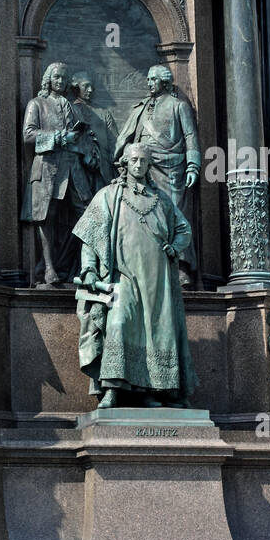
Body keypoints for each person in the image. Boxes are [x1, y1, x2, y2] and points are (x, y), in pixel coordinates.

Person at [73, 142, 196, 408]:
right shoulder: (109, 195)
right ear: (125, 163)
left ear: (149, 165)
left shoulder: (162, 199)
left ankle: (149, 392)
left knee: (155, 334)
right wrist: (90, 269)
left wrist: (174, 248)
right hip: (122, 277)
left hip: (157, 281)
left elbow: (184, 228)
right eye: (134, 160)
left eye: (143, 161)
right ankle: (112, 390)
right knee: (118, 324)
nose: (139, 165)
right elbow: (90, 239)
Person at [114, 65, 200, 285]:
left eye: (153, 79)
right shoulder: (141, 108)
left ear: (164, 82)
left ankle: (180, 266)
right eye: (149, 79)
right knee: (144, 214)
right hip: (144, 168)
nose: (149, 83)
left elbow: (190, 136)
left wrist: (193, 165)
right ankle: (147, 263)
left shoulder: (178, 106)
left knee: (174, 213)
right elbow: (128, 136)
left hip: (172, 168)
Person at [21, 62, 99, 285]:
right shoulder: (37, 104)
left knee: (88, 214)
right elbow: (28, 135)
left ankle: (81, 266)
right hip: (49, 167)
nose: (60, 81)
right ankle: (48, 268)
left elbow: (84, 134)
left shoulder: (73, 107)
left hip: (74, 169)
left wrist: (87, 150)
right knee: (47, 216)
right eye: (56, 77)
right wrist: (59, 137)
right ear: (48, 79)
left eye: (64, 78)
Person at [69, 71, 118, 188]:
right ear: (76, 88)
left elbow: (114, 141)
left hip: (103, 169)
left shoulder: (103, 112)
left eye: (92, 86)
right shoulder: (69, 110)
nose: (90, 90)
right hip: (80, 168)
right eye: (86, 86)